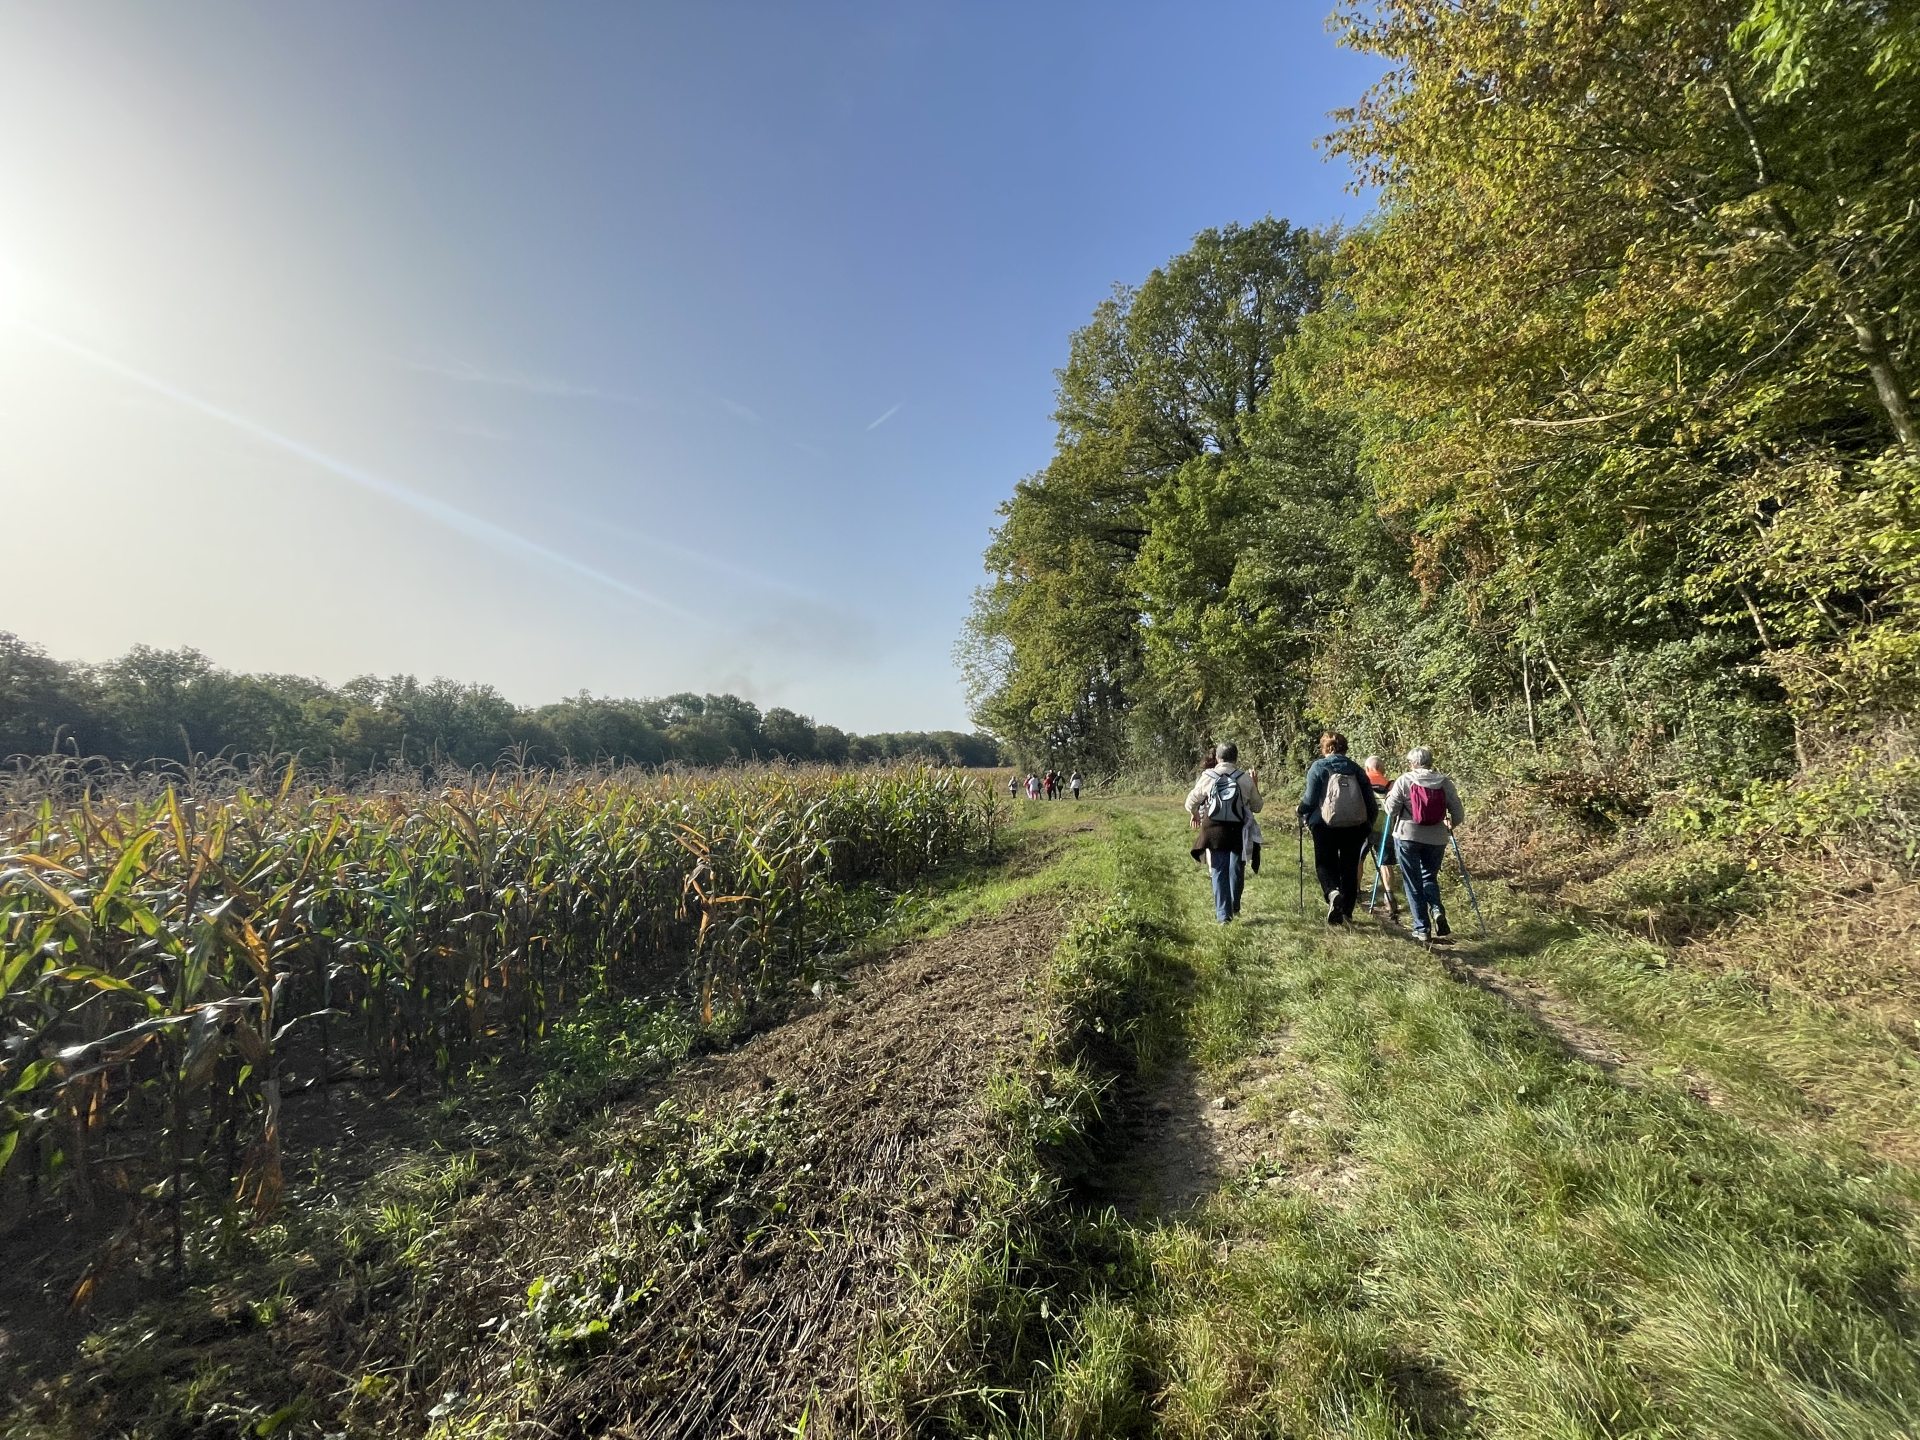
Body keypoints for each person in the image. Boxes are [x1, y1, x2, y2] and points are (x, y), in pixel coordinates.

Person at [1383, 746, 1466, 945]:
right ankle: (1436, 909)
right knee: (1429, 876)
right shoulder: (1444, 782)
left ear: (1412, 763)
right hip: (1436, 838)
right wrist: (1449, 825)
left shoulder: (1404, 780)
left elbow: (1390, 810)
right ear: (1431, 761)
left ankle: (1422, 928)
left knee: (1413, 882)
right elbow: (1459, 812)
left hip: (1407, 836)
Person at [1296, 731, 1379, 926]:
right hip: (1354, 826)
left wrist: (1300, 810)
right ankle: (1347, 913)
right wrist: (1367, 826)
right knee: (1349, 867)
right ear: (1345, 747)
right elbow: (1371, 804)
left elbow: (1309, 799)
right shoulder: (1356, 769)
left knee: (1324, 863)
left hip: (1324, 825)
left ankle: (1333, 893)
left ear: (1325, 748)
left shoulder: (1319, 767)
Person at [1185, 742, 1262, 924]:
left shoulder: (1208, 776)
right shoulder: (1244, 778)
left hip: (1214, 829)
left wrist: (1195, 813)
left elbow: (1190, 801)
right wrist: (1255, 786)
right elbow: (1257, 806)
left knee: (1219, 870)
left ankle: (1223, 916)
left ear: (1218, 758)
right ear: (1236, 758)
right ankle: (1235, 906)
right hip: (1238, 830)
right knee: (1236, 868)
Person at [1361, 754, 1399, 922]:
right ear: (1382, 769)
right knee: (1386, 864)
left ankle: (1356, 894)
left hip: (1364, 826)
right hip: (1386, 829)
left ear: (1367, 768)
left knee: (1358, 860)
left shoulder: (1362, 782)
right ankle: (1389, 897)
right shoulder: (1391, 784)